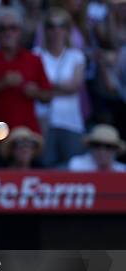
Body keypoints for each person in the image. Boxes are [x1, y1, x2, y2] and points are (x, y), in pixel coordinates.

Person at [0, 7, 52, 167]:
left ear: (20, 32)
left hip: (27, 138)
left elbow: (47, 96)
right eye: (2, 28)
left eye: (13, 28)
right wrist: (1, 84)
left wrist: (35, 92)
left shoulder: (34, 60)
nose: (8, 32)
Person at [34, 8, 86, 167]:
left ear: (67, 30)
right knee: (45, 166)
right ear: (45, 30)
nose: (56, 30)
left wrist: (45, 87)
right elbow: (33, 86)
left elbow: (75, 86)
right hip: (43, 121)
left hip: (71, 121)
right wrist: (60, 87)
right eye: (51, 26)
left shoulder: (76, 55)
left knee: (72, 167)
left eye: (61, 25)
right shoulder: (36, 54)